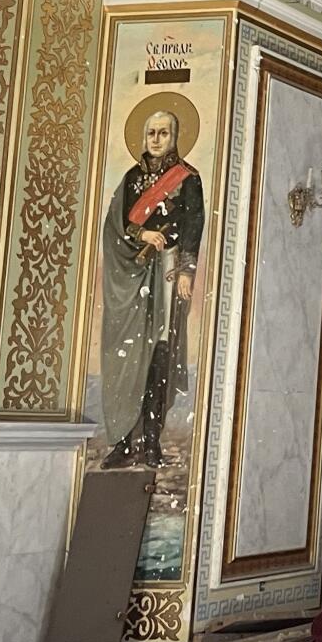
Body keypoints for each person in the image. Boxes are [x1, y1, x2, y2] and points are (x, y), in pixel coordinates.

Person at [98, 109, 203, 468]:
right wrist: (141, 233)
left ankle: (152, 439)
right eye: (151, 133)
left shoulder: (187, 178)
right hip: (135, 274)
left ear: (175, 136)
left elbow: (193, 224)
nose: (156, 139)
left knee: (160, 352)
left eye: (163, 132)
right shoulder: (131, 179)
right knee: (130, 357)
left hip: (170, 273)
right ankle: (125, 441)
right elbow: (118, 224)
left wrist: (187, 269)